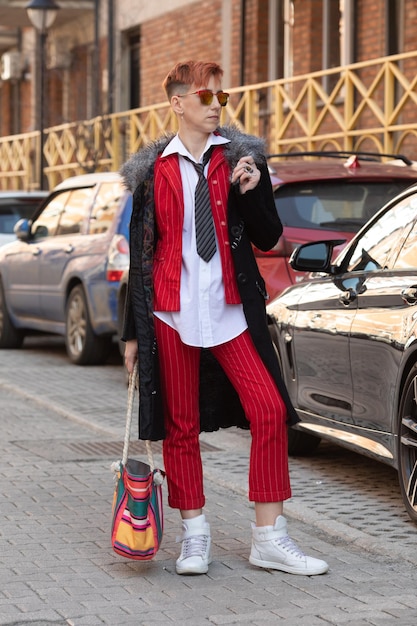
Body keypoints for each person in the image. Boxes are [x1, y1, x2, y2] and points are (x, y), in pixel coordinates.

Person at [120, 60, 329, 577]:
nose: (216, 105)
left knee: (269, 409)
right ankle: (195, 535)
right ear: (177, 103)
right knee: (180, 426)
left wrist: (254, 189)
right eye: (205, 96)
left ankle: (269, 537)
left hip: (231, 311)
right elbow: (140, 256)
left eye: (222, 97)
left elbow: (266, 238)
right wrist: (130, 335)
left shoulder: (241, 160)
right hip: (171, 313)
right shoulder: (153, 173)